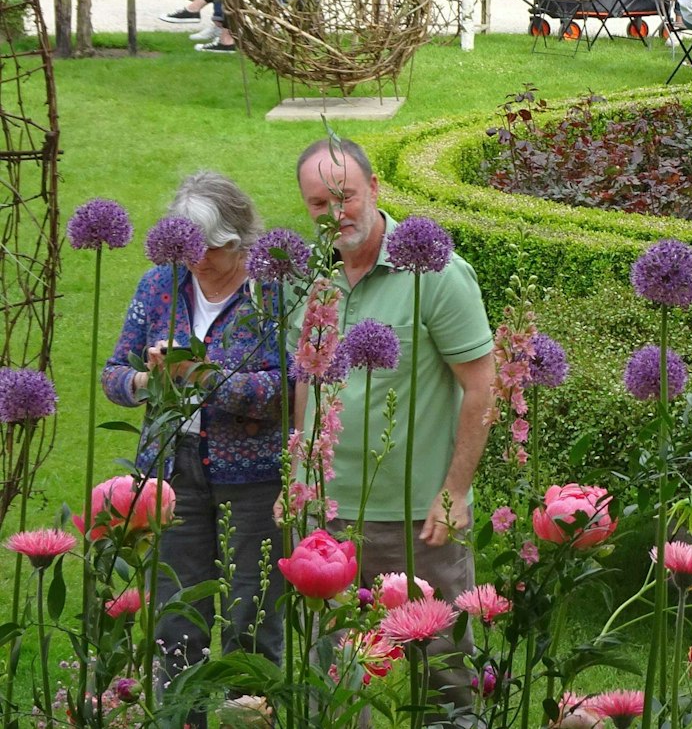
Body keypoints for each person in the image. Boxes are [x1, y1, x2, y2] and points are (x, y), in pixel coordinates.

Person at [292, 137, 495, 714]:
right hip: (328, 521)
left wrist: (454, 493)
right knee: (333, 683)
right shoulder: (315, 279)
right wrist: (301, 479)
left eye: (346, 197)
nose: (335, 214)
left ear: (375, 188)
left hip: (417, 522)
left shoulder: (434, 272)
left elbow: (483, 388)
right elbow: (307, 379)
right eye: (318, 205)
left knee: (446, 684)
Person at [104, 171, 284, 686]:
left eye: (213, 248)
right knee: (177, 617)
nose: (200, 259)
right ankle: (182, 717)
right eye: (190, 248)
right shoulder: (159, 284)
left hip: (252, 475)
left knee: (252, 617)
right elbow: (113, 376)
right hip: (171, 471)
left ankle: (251, 716)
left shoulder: (268, 292)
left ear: (239, 239)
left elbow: (280, 392)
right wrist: (147, 380)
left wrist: (201, 377)